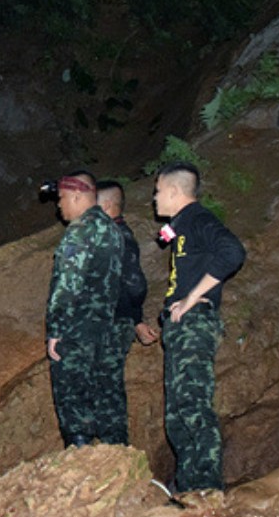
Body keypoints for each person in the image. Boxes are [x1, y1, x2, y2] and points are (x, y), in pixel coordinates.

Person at [152, 161, 246, 492]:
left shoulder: (199, 219)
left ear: (175, 191)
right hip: (181, 328)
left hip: (194, 324)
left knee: (192, 406)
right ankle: (188, 487)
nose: (154, 198)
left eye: (158, 190)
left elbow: (232, 252)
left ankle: (206, 489)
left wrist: (192, 298)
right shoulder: (183, 224)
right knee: (178, 414)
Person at [44, 171, 123, 448]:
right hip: (105, 330)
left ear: (77, 196)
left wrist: (55, 329)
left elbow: (67, 286)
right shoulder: (112, 230)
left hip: (76, 330)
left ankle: (79, 455)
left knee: (74, 399)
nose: (59, 205)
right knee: (106, 396)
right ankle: (117, 455)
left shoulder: (79, 231)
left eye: (62, 198)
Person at [96, 180, 155, 445]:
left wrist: (134, 318)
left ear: (107, 206)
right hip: (110, 321)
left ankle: (116, 449)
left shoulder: (119, 236)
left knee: (108, 388)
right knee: (102, 385)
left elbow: (134, 283)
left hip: (115, 322)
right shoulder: (107, 235)